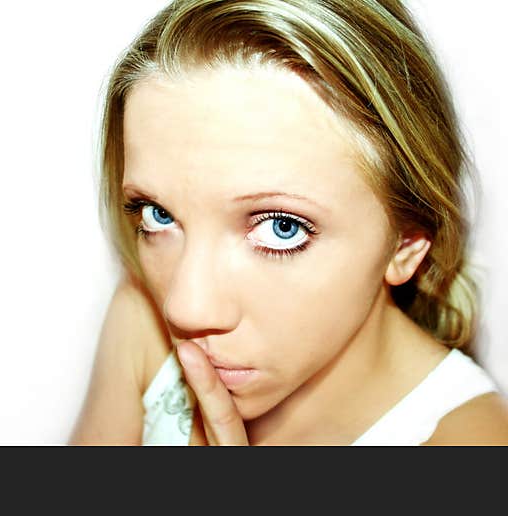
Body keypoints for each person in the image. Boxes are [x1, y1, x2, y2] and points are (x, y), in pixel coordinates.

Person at [69, 0, 508, 445]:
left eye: (281, 227)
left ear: (406, 244)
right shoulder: (141, 321)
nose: (185, 307)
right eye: (158, 215)